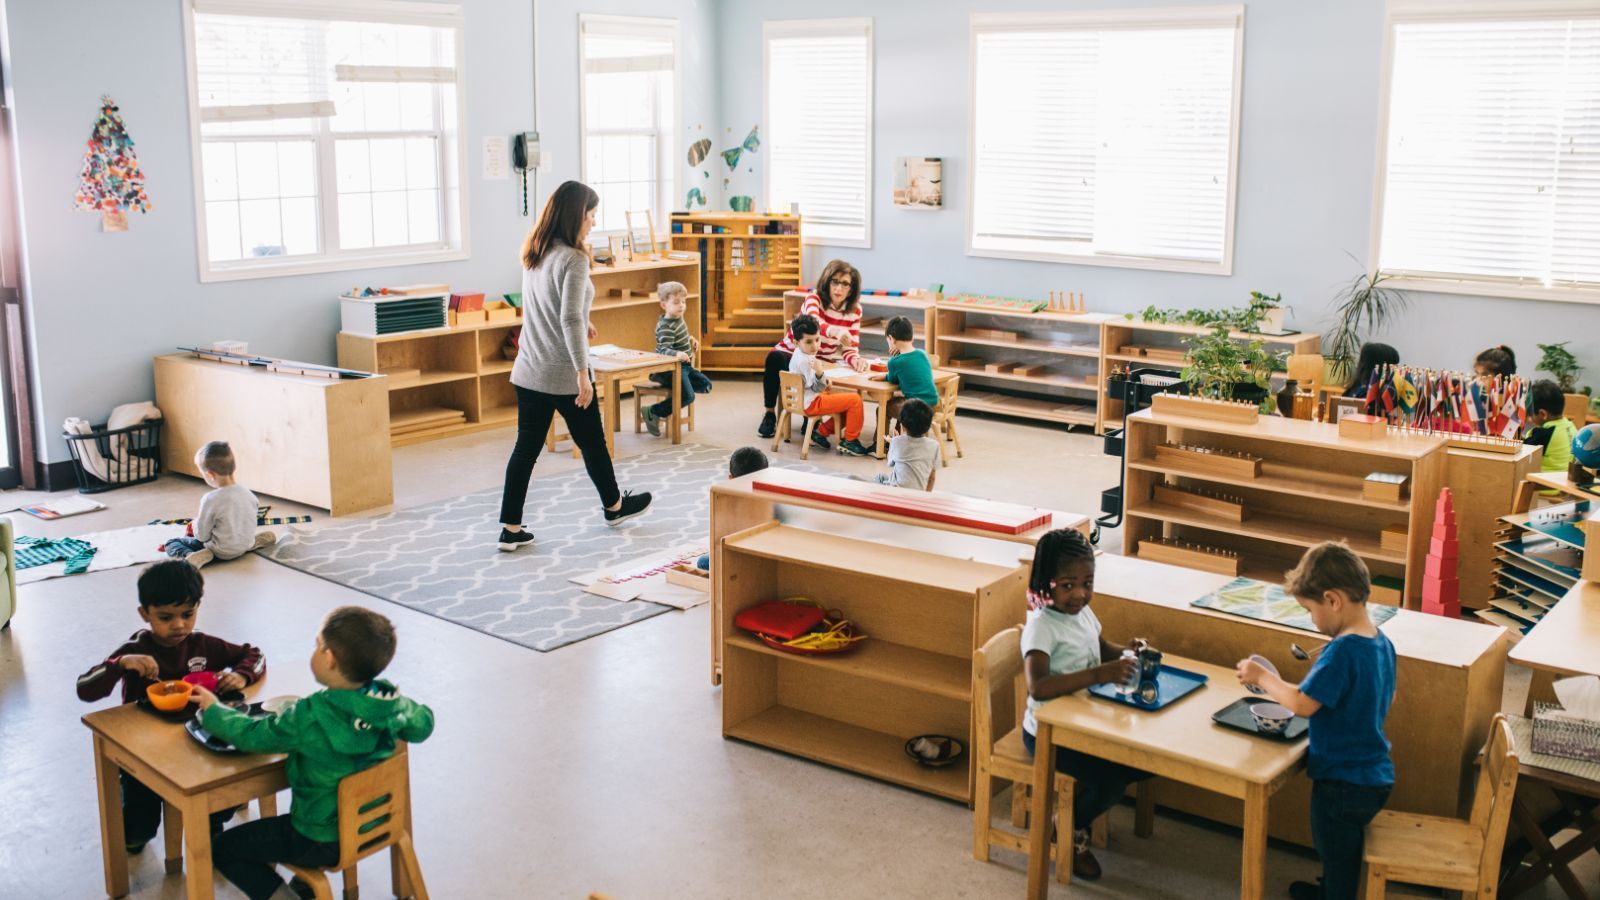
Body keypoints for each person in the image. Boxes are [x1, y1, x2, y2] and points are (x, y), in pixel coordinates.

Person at [197, 606, 434, 900]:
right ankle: (305, 887)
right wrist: (403, 708)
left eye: (316, 644)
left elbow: (252, 736)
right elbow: (424, 725)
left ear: (329, 657)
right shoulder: (390, 704)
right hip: (376, 823)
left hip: (319, 837)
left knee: (223, 848)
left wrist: (213, 710)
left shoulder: (310, 715)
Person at [498, 180, 652, 552]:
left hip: (529, 368)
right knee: (593, 443)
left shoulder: (536, 250)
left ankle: (510, 529)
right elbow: (566, 318)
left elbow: (547, 308)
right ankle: (614, 507)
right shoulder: (574, 258)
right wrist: (583, 373)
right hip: (562, 372)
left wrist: (585, 321)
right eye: (592, 215)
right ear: (575, 215)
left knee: (525, 450)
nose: (594, 223)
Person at [1236, 542, 1395, 900]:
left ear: (1333, 600)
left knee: (1336, 852)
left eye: (1310, 610)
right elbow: (1385, 696)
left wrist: (1261, 676)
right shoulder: (1381, 641)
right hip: (1374, 772)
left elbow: (1302, 704)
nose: (1311, 619)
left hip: (1343, 782)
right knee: (1343, 849)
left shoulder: (1341, 651)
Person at [75, 560, 265, 854]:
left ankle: (212, 827)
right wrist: (119, 665)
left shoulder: (202, 645)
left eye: (187, 614)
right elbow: (84, 689)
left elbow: (253, 654)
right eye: (165, 617)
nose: (179, 625)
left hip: (198, 744)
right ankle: (135, 836)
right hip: (145, 750)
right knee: (139, 826)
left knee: (221, 790)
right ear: (145, 614)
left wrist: (240, 675)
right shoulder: (134, 651)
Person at [1020, 528, 1151, 881]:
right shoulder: (1042, 626)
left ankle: (1074, 817)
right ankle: (1069, 829)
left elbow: (1100, 645)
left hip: (1085, 721)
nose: (1079, 594)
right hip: (1049, 734)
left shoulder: (1081, 613)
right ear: (1047, 583)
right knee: (1110, 782)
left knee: (1145, 762)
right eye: (1068, 585)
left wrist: (1126, 652)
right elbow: (1039, 687)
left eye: (1087, 583)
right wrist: (1100, 674)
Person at [757, 259, 869, 439]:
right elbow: (814, 323)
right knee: (774, 359)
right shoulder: (814, 298)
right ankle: (769, 413)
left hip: (822, 359)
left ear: (852, 288)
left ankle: (810, 418)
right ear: (827, 281)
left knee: (821, 378)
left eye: (845, 284)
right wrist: (835, 331)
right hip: (792, 352)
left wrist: (855, 359)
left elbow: (850, 347)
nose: (839, 288)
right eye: (835, 282)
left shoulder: (855, 311)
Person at [163, 441, 272, 568]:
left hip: (220, 551)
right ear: (233, 466)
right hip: (244, 545)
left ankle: (192, 555)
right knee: (236, 530)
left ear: (210, 475)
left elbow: (202, 536)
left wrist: (195, 524)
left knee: (172, 543)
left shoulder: (210, 499)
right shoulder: (249, 494)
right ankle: (251, 543)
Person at [788, 314, 871, 457]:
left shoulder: (798, 353)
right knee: (855, 400)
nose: (815, 345)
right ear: (796, 342)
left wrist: (823, 379)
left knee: (846, 402)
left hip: (800, 399)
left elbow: (811, 384)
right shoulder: (806, 361)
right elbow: (816, 388)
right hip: (811, 403)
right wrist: (820, 374)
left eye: (817, 340)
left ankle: (821, 433)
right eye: (809, 342)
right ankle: (850, 441)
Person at [641, 281, 712, 437]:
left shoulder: (678, 318)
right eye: (676, 302)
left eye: (683, 301)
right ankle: (653, 411)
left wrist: (690, 340)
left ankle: (679, 389)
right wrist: (677, 354)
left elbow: (679, 338)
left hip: (683, 368)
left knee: (706, 385)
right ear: (663, 305)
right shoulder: (666, 326)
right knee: (688, 396)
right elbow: (662, 349)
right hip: (669, 369)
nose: (681, 306)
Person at [696, 447, 771, 570]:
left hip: (738, 560)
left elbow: (719, 542)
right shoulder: (770, 495)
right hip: (767, 555)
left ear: (730, 477)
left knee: (703, 562)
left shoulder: (724, 499)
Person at [881, 315, 938, 427]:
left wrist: (886, 374)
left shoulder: (894, 362)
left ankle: (879, 443)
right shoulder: (922, 354)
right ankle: (898, 436)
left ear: (891, 339)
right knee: (901, 401)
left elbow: (893, 380)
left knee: (884, 408)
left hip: (914, 409)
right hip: (932, 405)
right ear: (912, 337)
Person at [875, 398, 939, 491]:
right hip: (918, 495)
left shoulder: (897, 442)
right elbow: (932, 478)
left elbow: (890, 463)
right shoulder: (934, 446)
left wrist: (893, 443)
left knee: (880, 477)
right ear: (928, 426)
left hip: (896, 493)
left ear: (903, 426)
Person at [1525, 379, 1579, 483]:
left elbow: (1522, 452)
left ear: (1542, 414)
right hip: (1566, 483)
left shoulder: (1544, 434)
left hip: (1545, 485)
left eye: (1530, 413)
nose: (1529, 417)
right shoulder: (1571, 426)